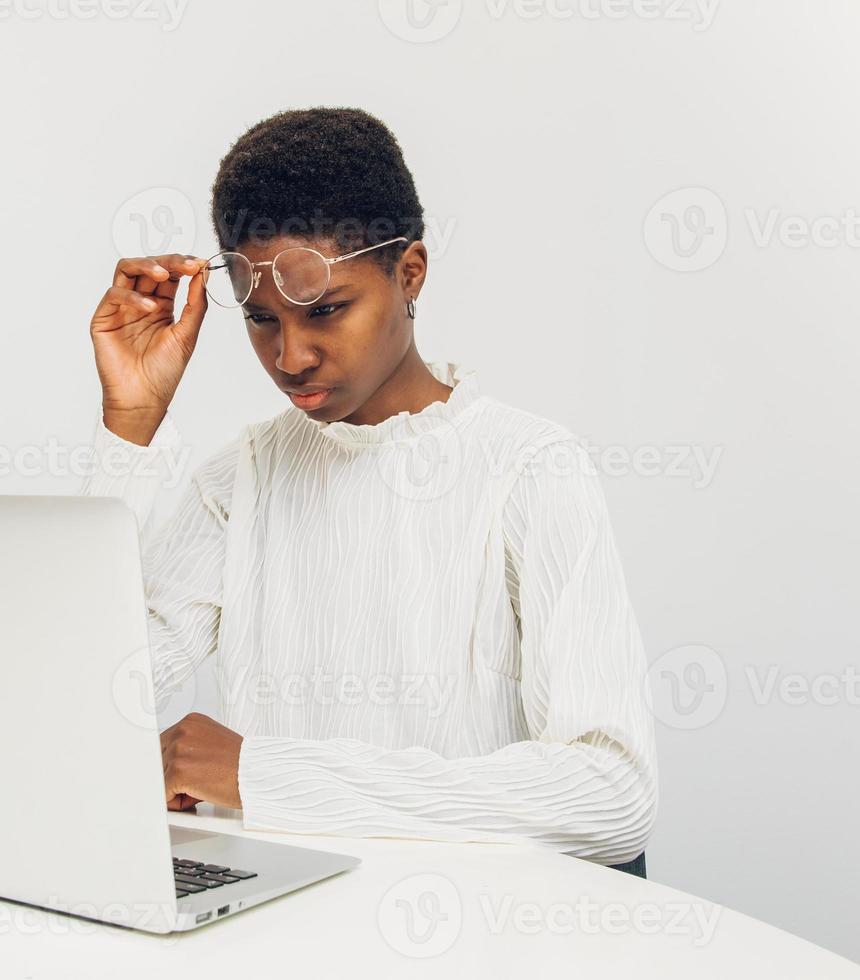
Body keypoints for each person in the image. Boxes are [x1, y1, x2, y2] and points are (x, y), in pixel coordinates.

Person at [80, 107, 656, 873]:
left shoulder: (530, 470)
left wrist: (262, 777)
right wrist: (130, 427)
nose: (290, 355)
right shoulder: (240, 479)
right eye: (260, 320)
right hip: (285, 932)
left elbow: (610, 791)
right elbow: (84, 701)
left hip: (480, 935)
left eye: (326, 311)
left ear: (408, 273)